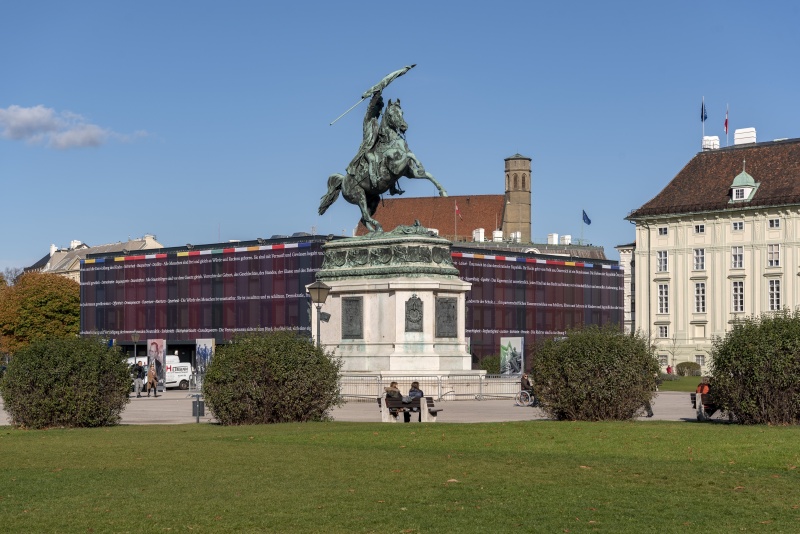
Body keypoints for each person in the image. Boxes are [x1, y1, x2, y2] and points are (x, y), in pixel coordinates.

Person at [346, 92, 384, 189]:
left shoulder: (376, 122)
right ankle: (374, 181)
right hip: (367, 148)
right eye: (377, 107)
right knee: (372, 159)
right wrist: (376, 94)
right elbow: (371, 107)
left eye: (379, 108)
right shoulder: (368, 119)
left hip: (376, 148)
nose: (378, 110)